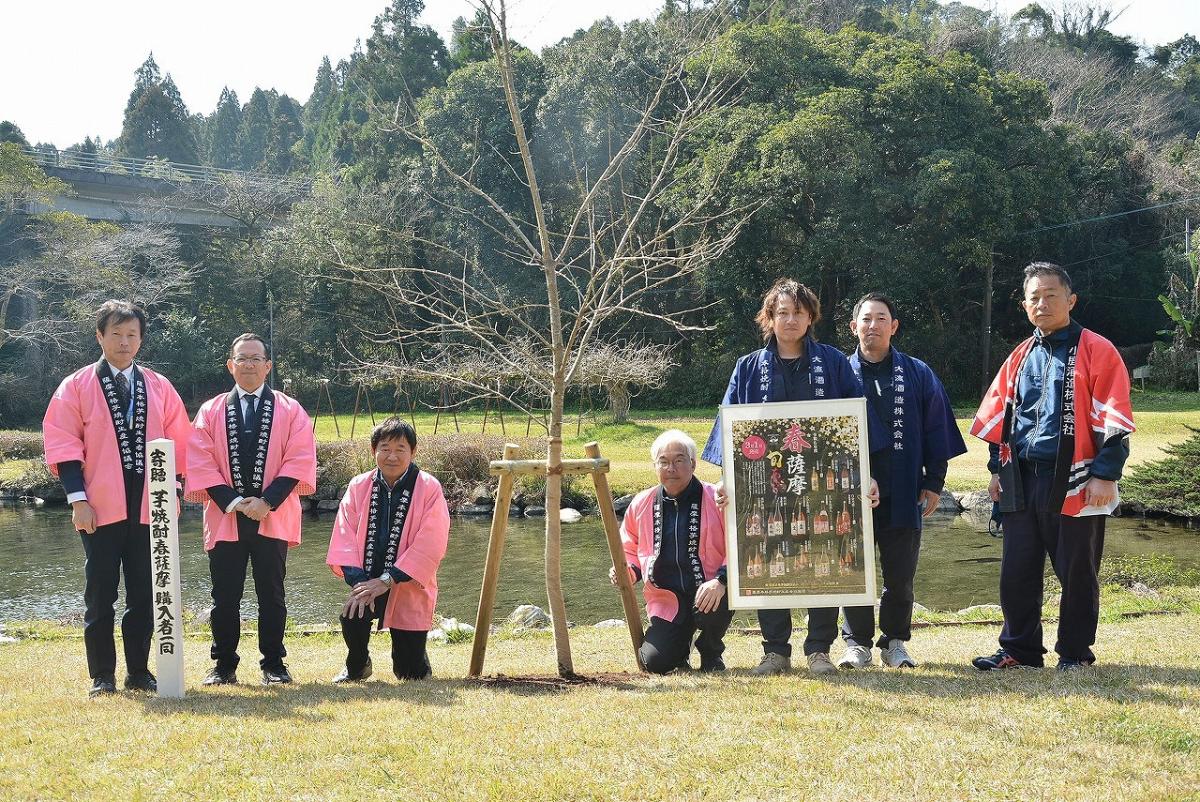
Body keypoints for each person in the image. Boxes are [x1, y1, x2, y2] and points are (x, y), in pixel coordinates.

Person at [703, 278, 880, 676]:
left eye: (798, 312)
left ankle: (819, 649)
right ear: (769, 317)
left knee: (824, 554)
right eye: (782, 312)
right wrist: (725, 480)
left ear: (810, 317)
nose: (790, 319)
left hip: (820, 482)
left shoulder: (833, 363)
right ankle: (775, 650)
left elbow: (857, 425)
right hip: (765, 485)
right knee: (767, 557)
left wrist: (865, 477)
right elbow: (730, 429)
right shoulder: (748, 367)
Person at [971, 262, 1134, 671]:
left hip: (1076, 479)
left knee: (1077, 570)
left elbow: (1113, 416)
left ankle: (1076, 653)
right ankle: (1020, 650)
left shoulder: (1098, 349)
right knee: (1017, 569)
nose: (1041, 304)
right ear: (1025, 305)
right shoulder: (1020, 355)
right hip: (1022, 478)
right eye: (1033, 297)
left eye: (1050, 295)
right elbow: (1003, 416)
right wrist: (996, 471)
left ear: (1071, 300)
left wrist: (1105, 473)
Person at [42, 300, 191, 696]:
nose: (124, 342)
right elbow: (64, 445)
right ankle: (102, 675)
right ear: (99, 336)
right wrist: (78, 500)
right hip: (99, 508)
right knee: (100, 595)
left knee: (145, 594)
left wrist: (174, 493)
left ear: (141, 339)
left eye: (132, 335)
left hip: (150, 509)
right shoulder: (75, 386)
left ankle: (138, 671)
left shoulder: (159, 386)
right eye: (116, 334)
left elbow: (180, 443)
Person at [185, 333, 316, 685]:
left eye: (256, 358)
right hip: (224, 515)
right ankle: (223, 664)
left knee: (272, 594)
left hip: (272, 516)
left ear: (268, 365)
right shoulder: (211, 411)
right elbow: (199, 462)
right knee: (223, 596)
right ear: (231, 365)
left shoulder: (290, 410)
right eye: (242, 358)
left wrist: (267, 501)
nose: (249, 364)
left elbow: (299, 459)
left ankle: (273, 663)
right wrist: (232, 502)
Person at [845, 293, 967, 668]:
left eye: (881, 319)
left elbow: (936, 426)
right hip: (851, 490)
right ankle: (857, 644)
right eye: (866, 319)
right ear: (854, 327)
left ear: (894, 326)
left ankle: (895, 640)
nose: (873, 326)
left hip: (904, 487)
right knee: (854, 571)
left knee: (900, 573)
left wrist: (935, 481)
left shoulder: (916, 372)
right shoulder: (838, 372)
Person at [325, 418, 450, 682]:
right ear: (374, 451)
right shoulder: (359, 485)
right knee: (352, 614)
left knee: (409, 673)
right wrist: (361, 583)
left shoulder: (428, 488)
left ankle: (417, 659)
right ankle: (357, 664)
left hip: (407, 584)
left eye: (400, 449)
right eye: (385, 448)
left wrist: (387, 579)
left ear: (413, 452)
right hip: (368, 581)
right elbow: (344, 534)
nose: (392, 456)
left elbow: (431, 541)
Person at [612, 429, 732, 674]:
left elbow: (738, 544)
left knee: (716, 598)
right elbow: (628, 547)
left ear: (693, 463)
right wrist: (628, 571)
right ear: (655, 466)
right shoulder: (641, 503)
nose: (671, 468)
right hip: (667, 598)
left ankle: (711, 652)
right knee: (655, 662)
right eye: (663, 462)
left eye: (679, 460)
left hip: (709, 589)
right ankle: (679, 647)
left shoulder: (716, 498)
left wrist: (721, 580)